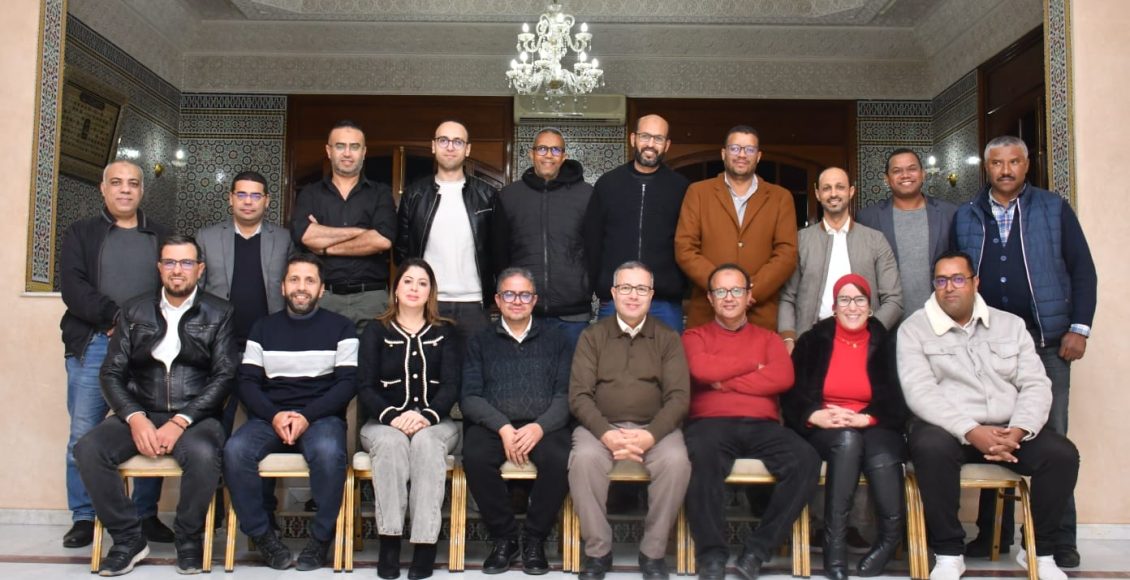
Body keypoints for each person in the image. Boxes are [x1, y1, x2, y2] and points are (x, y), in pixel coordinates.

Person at [951, 136, 1097, 567]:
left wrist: (1079, 328)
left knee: (1051, 439)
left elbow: (1083, 270)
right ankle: (990, 536)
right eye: (997, 163)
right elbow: (954, 276)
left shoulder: (1053, 209)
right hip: (986, 343)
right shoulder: (966, 214)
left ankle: (1057, 538)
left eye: (1014, 161)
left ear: (1027, 164)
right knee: (993, 428)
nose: (1006, 169)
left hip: (1047, 340)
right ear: (987, 167)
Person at [897, 251, 1079, 580]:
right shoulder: (914, 329)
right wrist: (970, 430)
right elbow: (920, 393)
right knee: (929, 446)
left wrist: (1019, 430)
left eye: (958, 279)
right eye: (941, 280)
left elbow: (1036, 384)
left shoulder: (1010, 325)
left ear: (975, 282)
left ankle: (1040, 551)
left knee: (1062, 454)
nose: (949, 287)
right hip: (950, 431)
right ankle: (949, 553)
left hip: (1007, 432)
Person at [74, 235, 235, 576]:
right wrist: (135, 417)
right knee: (88, 448)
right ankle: (128, 538)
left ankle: (188, 539)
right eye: (170, 262)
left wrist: (181, 420)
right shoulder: (133, 310)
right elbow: (111, 373)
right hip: (140, 409)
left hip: (195, 416)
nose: (178, 270)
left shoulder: (220, 312)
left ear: (200, 269)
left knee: (204, 454)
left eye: (186, 263)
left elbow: (224, 377)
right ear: (159, 268)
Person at [682, 263, 820, 580]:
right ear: (710, 298)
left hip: (763, 425)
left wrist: (724, 380)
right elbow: (701, 370)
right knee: (701, 455)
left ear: (749, 296)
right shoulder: (694, 336)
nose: (729, 297)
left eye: (736, 290)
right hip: (710, 423)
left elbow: (783, 376)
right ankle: (711, 556)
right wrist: (754, 366)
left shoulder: (769, 339)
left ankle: (757, 552)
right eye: (721, 291)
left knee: (806, 459)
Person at [60, 160, 172, 549]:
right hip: (94, 343)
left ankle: (145, 514)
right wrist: (116, 318)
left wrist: (142, 327)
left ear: (142, 190)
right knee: (84, 433)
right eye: (117, 183)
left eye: (133, 183)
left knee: (149, 428)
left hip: (150, 349)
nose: (125, 189)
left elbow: (174, 287)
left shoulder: (160, 235)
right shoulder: (82, 233)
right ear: (103, 188)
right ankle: (84, 516)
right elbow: (73, 287)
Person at [224, 254, 358, 571]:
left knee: (329, 453)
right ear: (283, 287)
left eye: (310, 281)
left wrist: (306, 416)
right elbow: (247, 382)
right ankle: (263, 537)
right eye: (294, 280)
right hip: (270, 418)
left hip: (321, 418)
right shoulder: (262, 328)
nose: (301, 287)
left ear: (321, 289)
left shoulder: (342, 327)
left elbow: (348, 383)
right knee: (235, 451)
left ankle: (320, 540)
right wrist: (275, 415)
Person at [568, 261, 691, 580]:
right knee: (583, 459)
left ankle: (653, 553)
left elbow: (679, 397)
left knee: (676, 462)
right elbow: (579, 396)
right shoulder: (592, 336)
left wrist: (651, 435)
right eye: (625, 288)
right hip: (600, 428)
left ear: (651, 294)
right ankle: (598, 551)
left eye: (641, 288)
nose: (633, 295)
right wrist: (606, 433)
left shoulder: (668, 337)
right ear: (612, 293)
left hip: (655, 429)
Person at [782, 273, 908, 579]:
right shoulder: (813, 340)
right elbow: (790, 393)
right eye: (845, 300)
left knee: (881, 453)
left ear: (870, 306)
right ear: (834, 307)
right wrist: (813, 415)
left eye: (859, 299)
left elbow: (899, 398)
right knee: (848, 442)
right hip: (827, 425)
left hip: (874, 421)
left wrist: (868, 417)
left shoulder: (886, 342)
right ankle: (834, 547)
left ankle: (890, 538)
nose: (852, 307)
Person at [460, 267, 573, 575]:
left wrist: (539, 427)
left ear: (534, 300)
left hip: (543, 426)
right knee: (475, 455)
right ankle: (505, 538)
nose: (517, 301)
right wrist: (503, 427)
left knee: (561, 457)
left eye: (524, 295)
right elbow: (469, 397)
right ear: (497, 300)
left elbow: (565, 395)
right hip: (496, 426)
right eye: (509, 294)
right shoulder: (479, 341)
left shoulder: (558, 339)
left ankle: (535, 539)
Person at [357, 258, 461, 580]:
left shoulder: (446, 332)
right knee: (391, 444)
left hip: (437, 422)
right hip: (383, 423)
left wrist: (426, 417)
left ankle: (425, 546)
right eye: (408, 281)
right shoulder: (375, 330)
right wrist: (393, 417)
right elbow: (365, 386)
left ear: (431, 292)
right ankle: (389, 543)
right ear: (396, 288)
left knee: (427, 445)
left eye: (422, 283)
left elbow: (452, 386)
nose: (414, 288)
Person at [675, 125, 798, 331]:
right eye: (735, 148)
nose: (742, 155)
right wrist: (720, 289)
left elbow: (787, 253)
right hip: (707, 314)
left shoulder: (780, 197)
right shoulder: (698, 192)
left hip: (759, 314)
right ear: (724, 153)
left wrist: (749, 293)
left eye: (749, 149)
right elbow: (684, 248)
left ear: (758, 156)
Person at [197, 169, 293, 432]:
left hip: (267, 344)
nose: (248, 201)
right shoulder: (206, 237)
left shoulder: (283, 239)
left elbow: (292, 290)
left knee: (264, 417)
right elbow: (196, 293)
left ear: (267, 200)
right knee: (216, 418)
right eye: (241, 195)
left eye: (255, 196)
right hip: (220, 344)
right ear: (231, 198)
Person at [396, 119, 497, 367]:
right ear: (433, 146)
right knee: (427, 375)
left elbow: (498, 250)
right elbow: (402, 253)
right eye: (443, 140)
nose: (450, 147)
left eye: (457, 141)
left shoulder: (488, 195)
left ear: (467, 149)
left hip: (475, 304)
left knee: (475, 377)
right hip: (429, 303)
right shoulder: (414, 195)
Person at [584, 114, 690, 332]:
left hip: (664, 302)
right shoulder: (608, 184)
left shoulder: (681, 188)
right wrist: (598, 285)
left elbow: (689, 241)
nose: (651, 144)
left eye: (658, 138)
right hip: (616, 299)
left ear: (667, 145)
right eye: (645, 136)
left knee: (667, 356)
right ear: (633, 139)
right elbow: (592, 241)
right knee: (611, 355)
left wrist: (683, 288)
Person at [778, 167, 902, 350]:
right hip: (810, 343)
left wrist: (871, 333)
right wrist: (788, 338)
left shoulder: (875, 240)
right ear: (817, 194)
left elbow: (894, 299)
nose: (833, 194)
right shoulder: (801, 241)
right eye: (827, 188)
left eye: (840, 187)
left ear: (851, 192)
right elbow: (787, 297)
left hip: (864, 345)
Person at [291, 119, 397, 333]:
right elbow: (306, 235)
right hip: (324, 297)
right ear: (329, 151)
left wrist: (325, 248)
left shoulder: (381, 193)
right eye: (340, 146)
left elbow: (382, 240)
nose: (347, 153)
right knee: (320, 355)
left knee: (371, 356)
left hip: (371, 299)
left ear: (364, 152)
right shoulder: (310, 193)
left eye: (354, 146)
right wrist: (361, 232)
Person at [493, 127, 594, 349]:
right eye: (542, 149)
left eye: (556, 150)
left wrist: (587, 285)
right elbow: (499, 253)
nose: (549, 155)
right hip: (524, 312)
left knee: (572, 372)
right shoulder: (509, 196)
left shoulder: (586, 195)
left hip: (573, 315)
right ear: (532, 154)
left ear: (564, 156)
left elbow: (595, 248)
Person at [856, 148, 957, 319]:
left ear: (923, 174)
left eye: (912, 169)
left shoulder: (950, 213)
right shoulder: (868, 218)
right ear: (886, 179)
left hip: (941, 316)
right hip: (888, 320)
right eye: (897, 171)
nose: (905, 175)